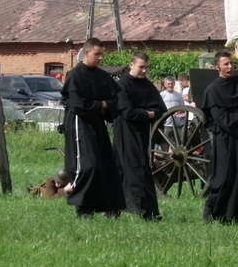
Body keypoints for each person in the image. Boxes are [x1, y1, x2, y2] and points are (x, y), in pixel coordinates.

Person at [61, 37, 124, 218]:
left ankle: (111, 208)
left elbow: (114, 99)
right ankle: (84, 208)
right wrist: (99, 105)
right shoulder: (75, 75)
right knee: (88, 166)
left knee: (106, 165)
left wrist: (105, 106)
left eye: (101, 54)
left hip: (97, 124)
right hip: (79, 123)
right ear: (86, 53)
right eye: (97, 54)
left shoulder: (102, 76)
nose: (100, 58)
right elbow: (77, 103)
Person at [202, 51, 238, 224]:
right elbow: (220, 118)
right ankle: (212, 210)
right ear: (217, 67)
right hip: (225, 139)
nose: (230, 67)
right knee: (224, 176)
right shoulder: (212, 91)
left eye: (232, 63)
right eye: (225, 64)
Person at [114, 52, 167, 220]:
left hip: (143, 134)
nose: (144, 71)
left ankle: (149, 211)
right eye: (141, 67)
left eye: (146, 67)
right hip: (126, 134)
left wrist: (148, 113)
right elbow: (127, 112)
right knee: (129, 170)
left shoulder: (147, 85)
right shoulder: (122, 85)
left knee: (143, 169)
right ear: (132, 65)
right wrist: (147, 114)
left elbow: (161, 109)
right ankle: (131, 208)